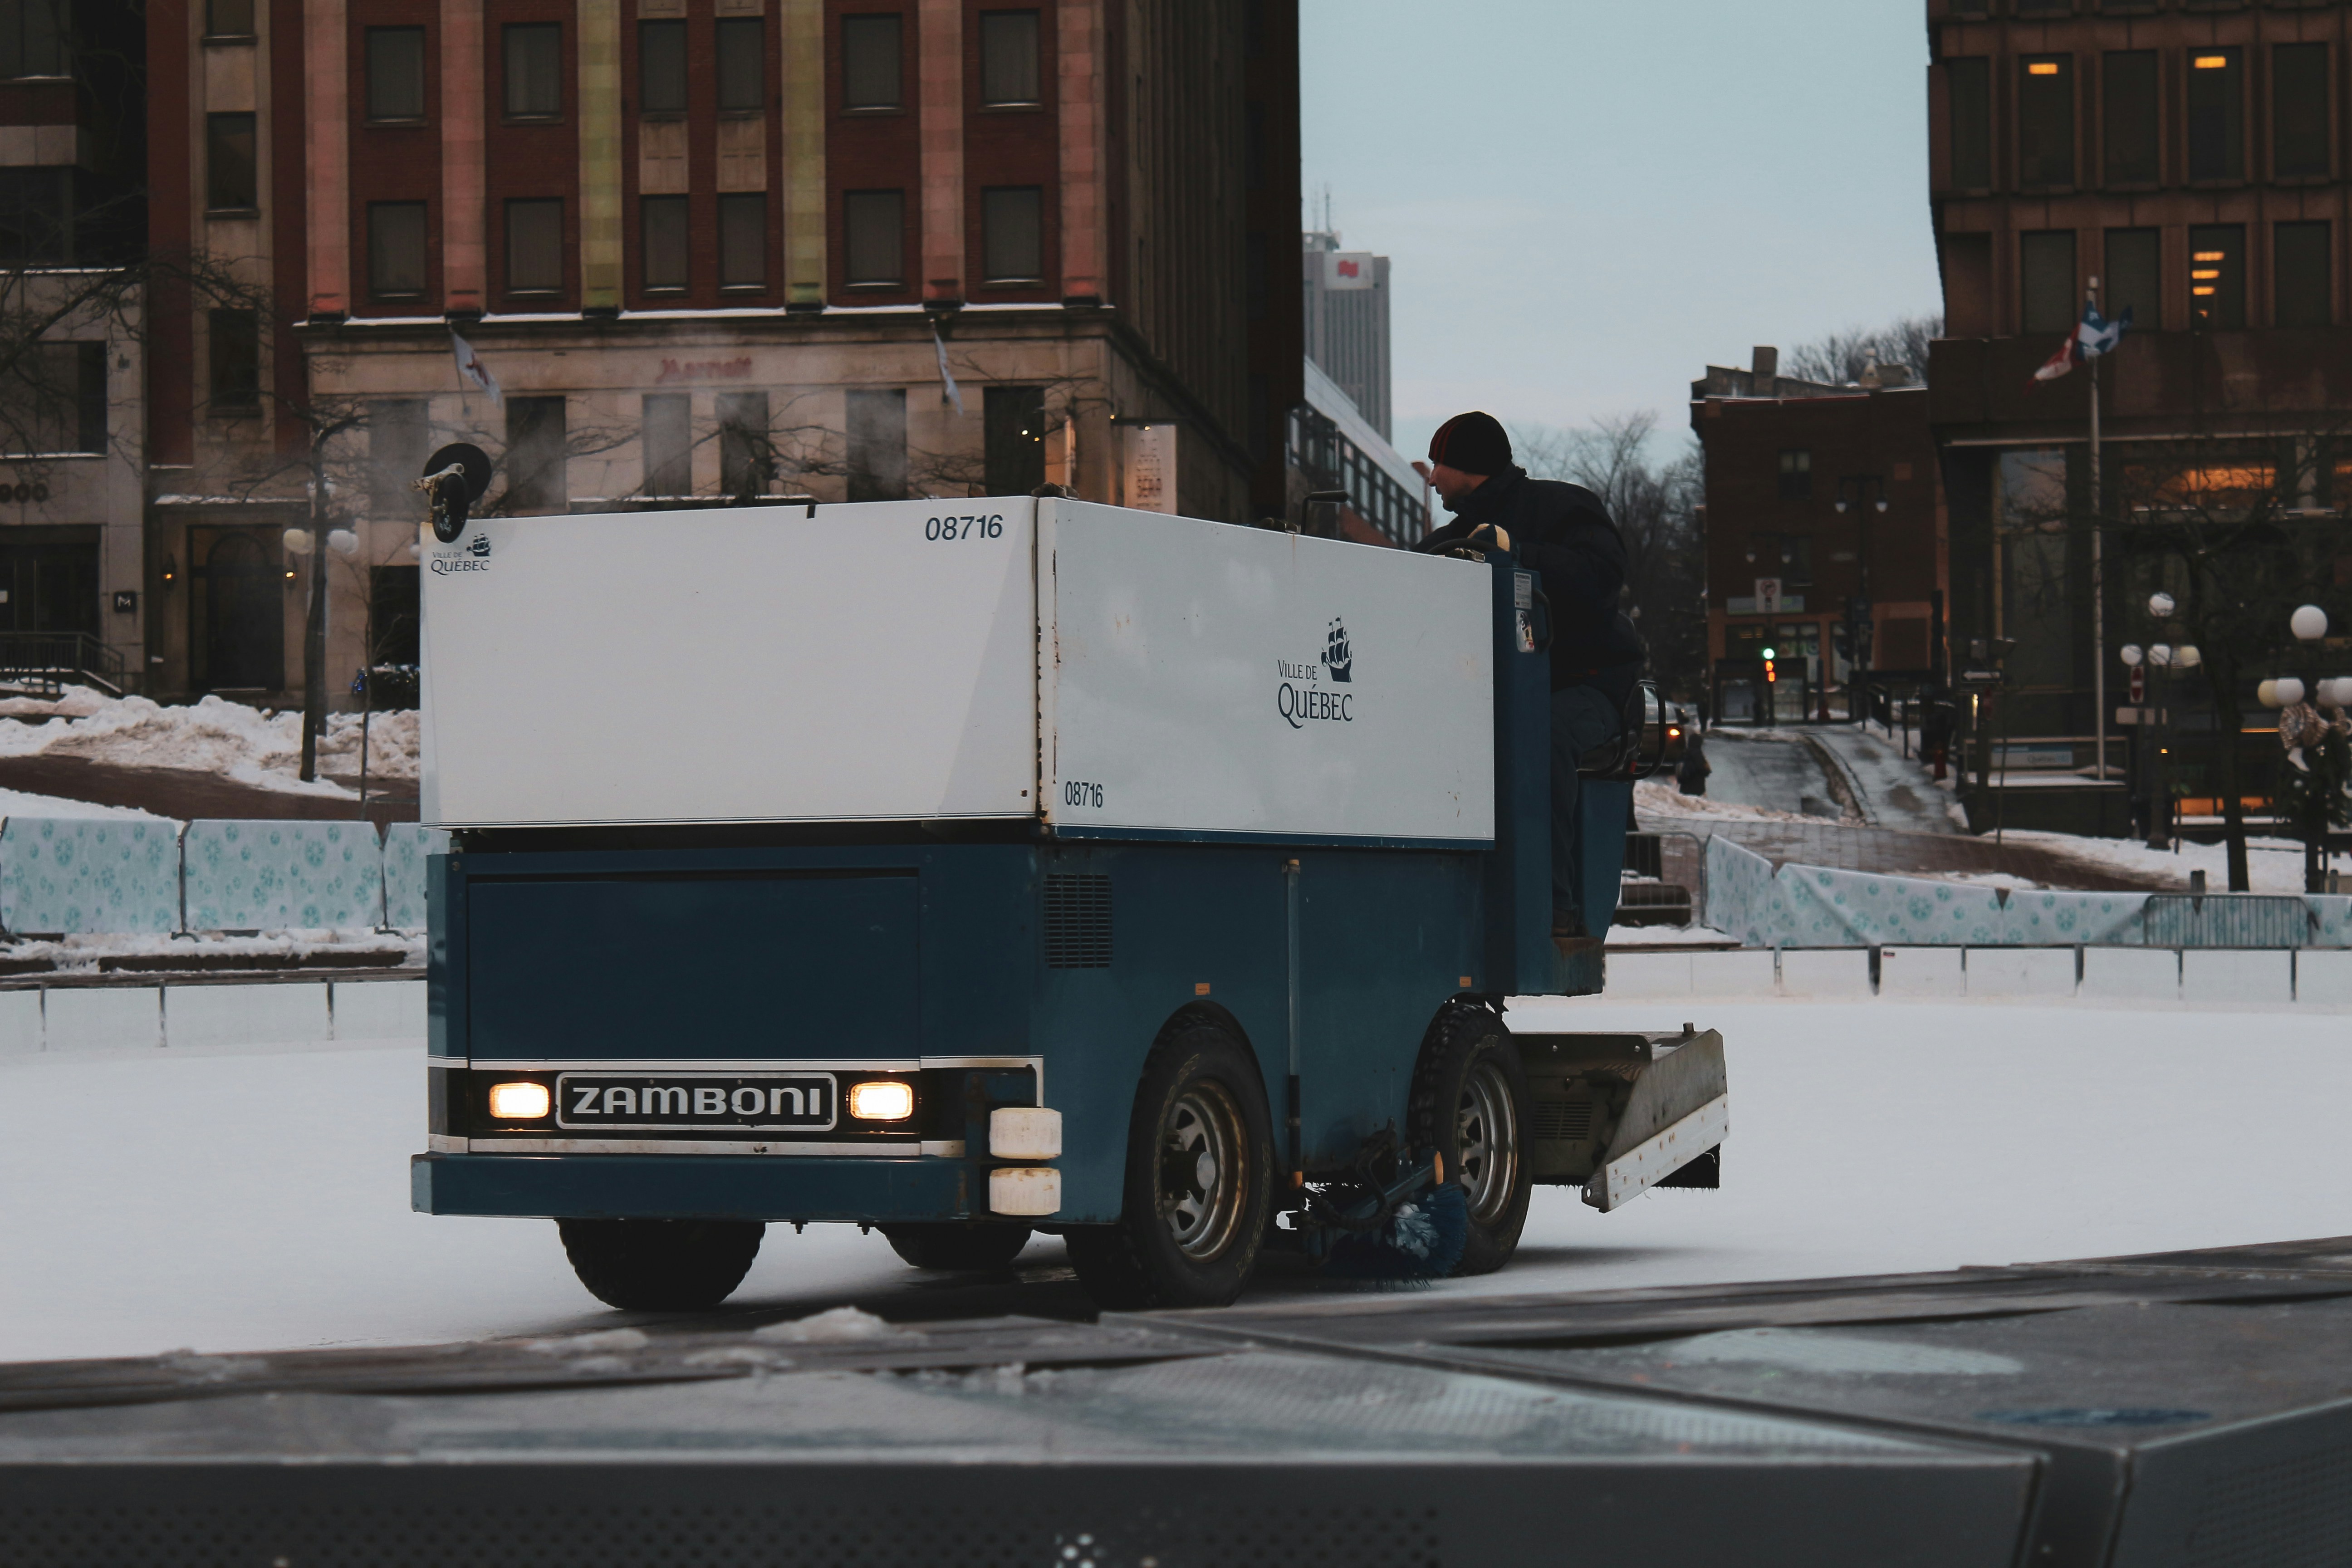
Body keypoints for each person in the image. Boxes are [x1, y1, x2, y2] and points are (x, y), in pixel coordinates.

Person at [1411, 411, 1644, 941]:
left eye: (1438, 464)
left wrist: (1518, 555)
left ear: (1466, 468)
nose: (1431, 477)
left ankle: (1549, 904)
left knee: (1541, 736)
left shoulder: (1562, 508)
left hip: (1587, 686)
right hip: (1502, 693)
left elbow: (1600, 579)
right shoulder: (1452, 539)